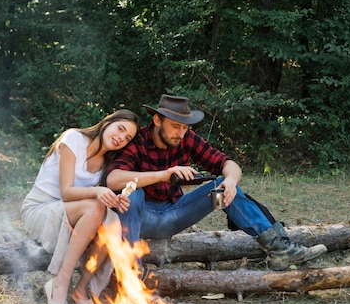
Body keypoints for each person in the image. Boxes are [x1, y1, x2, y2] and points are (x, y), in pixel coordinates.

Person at [105, 94, 327, 270]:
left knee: (220, 186)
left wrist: (230, 181)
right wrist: (165, 173)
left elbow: (228, 163)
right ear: (157, 120)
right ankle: (130, 269)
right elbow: (113, 179)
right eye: (175, 126)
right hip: (140, 217)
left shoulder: (186, 138)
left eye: (185, 127)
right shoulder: (137, 141)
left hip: (175, 215)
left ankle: (278, 249)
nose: (181, 133)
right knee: (132, 192)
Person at [22, 109, 139, 304]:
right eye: (120, 129)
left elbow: (96, 200)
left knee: (112, 220)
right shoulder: (73, 138)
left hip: (71, 214)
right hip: (41, 210)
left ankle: (81, 288)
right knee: (95, 207)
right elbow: (67, 193)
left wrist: (114, 199)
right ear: (108, 123)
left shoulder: (107, 165)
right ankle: (59, 283)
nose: (121, 138)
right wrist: (98, 191)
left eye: (127, 138)